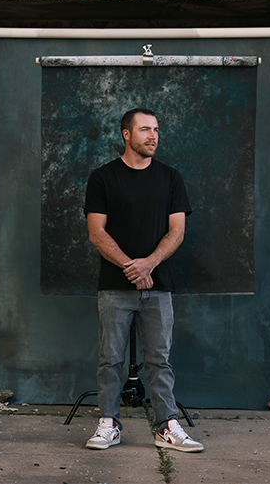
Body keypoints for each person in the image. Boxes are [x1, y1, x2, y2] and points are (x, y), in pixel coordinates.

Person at [83, 107, 204, 453]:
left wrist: (148, 264)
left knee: (159, 360)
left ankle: (166, 427)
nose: (153, 136)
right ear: (127, 134)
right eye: (145, 130)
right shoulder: (103, 178)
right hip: (114, 287)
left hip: (158, 286)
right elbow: (96, 232)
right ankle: (109, 424)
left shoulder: (170, 178)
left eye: (156, 130)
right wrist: (131, 267)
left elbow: (177, 231)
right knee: (110, 359)